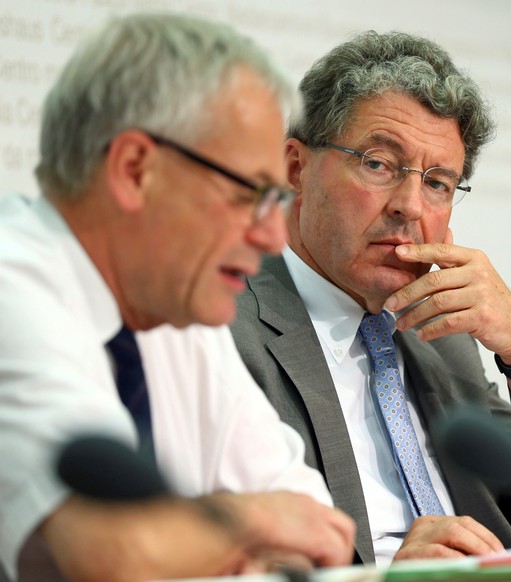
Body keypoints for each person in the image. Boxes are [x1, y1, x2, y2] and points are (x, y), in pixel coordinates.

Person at [229, 30, 511, 566]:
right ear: (295, 168)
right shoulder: (223, 331)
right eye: (378, 163)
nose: (410, 206)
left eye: (438, 182)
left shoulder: (436, 332)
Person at [0, 12, 355, 581]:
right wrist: (249, 520)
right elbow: (114, 558)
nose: (270, 236)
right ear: (136, 169)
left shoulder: (178, 313)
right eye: (251, 195)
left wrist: (201, 535)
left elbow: (316, 532)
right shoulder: (11, 288)